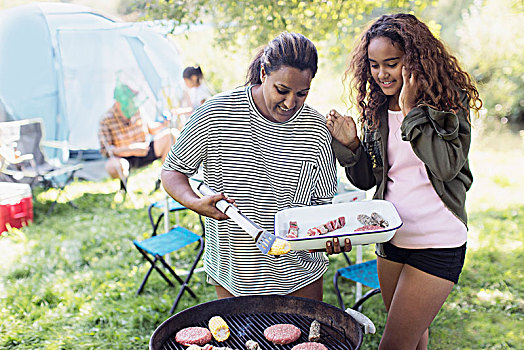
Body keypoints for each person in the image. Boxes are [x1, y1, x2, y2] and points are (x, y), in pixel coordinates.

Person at [326, 13, 482, 349]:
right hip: (391, 240)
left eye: (391, 63)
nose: (381, 74)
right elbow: (368, 179)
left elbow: (446, 167)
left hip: (438, 242)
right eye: (373, 65)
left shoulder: (448, 103)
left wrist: (411, 111)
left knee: (394, 343)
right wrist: (352, 144)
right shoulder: (377, 108)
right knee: (414, 336)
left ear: (413, 60)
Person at [162, 32, 350, 301]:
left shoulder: (316, 130)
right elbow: (172, 170)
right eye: (282, 90)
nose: (290, 104)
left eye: (302, 94)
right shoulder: (216, 113)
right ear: (264, 73)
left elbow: (321, 206)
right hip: (233, 274)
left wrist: (327, 237)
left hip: (301, 275)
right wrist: (194, 202)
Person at [98, 81, 173, 185]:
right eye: (130, 100)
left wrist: (165, 123)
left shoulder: (137, 109)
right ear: (119, 102)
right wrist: (131, 149)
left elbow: (150, 129)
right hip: (124, 158)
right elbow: (106, 150)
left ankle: (165, 179)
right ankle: (123, 185)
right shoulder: (106, 119)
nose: (133, 102)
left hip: (145, 150)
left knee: (171, 135)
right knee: (113, 167)